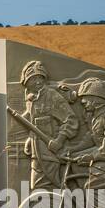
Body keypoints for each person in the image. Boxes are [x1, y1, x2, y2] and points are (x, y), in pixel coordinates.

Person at [17, 60, 79, 191]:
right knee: (39, 187)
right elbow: (35, 121)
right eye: (34, 78)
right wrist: (30, 138)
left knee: (46, 187)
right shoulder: (31, 99)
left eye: (40, 77)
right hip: (37, 152)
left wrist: (59, 140)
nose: (38, 81)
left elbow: (71, 120)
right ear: (27, 82)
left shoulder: (52, 96)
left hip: (50, 153)